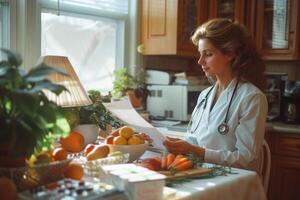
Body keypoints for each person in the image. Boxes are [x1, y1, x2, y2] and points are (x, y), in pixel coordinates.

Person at [163, 18, 268, 172]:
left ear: (230, 54)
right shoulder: (205, 95)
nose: (200, 61)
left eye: (208, 54)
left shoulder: (252, 98)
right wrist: (172, 143)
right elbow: (194, 139)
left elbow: (245, 159)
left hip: (232, 182)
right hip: (201, 174)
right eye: (200, 54)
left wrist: (196, 151)